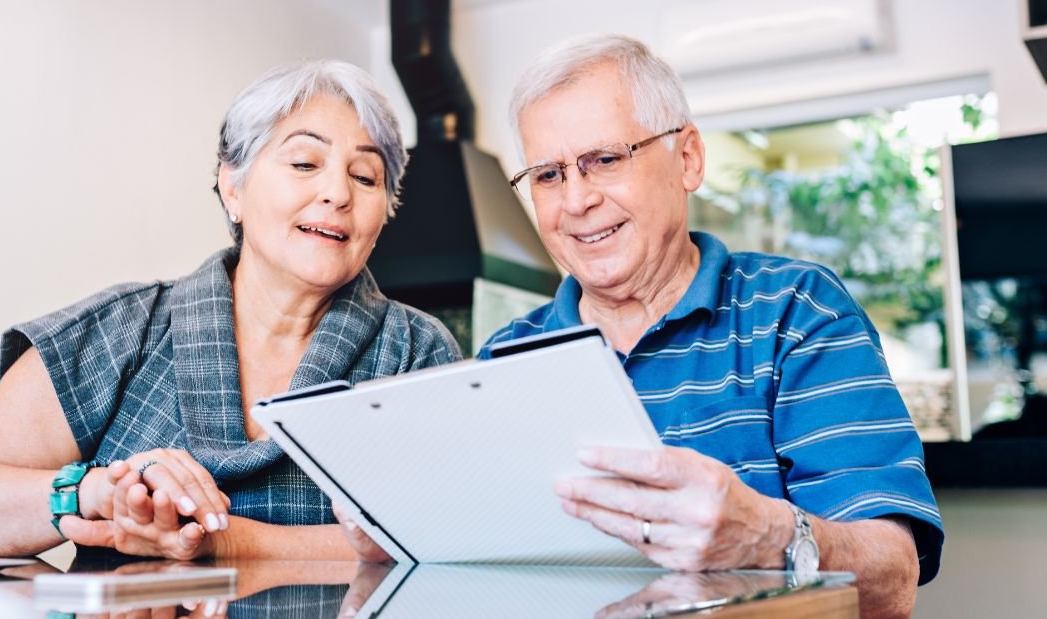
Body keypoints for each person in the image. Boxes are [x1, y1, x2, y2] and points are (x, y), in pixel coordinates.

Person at [342, 35, 943, 618]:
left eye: (603, 160)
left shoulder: (798, 310)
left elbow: (894, 579)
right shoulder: (509, 355)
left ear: (687, 159)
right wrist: (407, 548)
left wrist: (770, 538)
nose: (576, 201)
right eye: (548, 175)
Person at [0, 60, 461, 560]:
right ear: (233, 188)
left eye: (365, 177)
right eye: (304, 162)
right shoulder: (122, 329)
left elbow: (447, 538)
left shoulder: (417, 352)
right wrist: (103, 491)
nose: (337, 193)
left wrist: (223, 540)